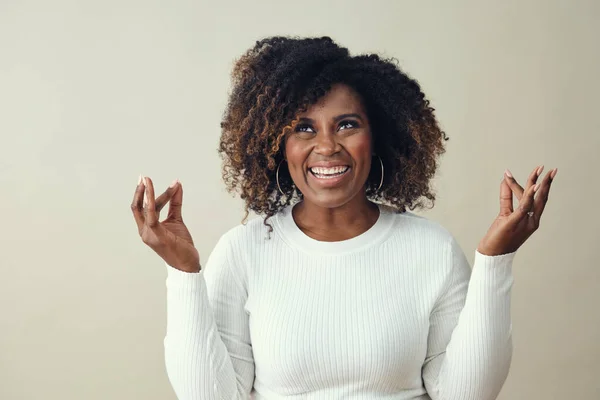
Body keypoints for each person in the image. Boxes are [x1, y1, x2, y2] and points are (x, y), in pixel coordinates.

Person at [130, 36, 557, 400]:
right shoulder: (242, 252)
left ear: (379, 135)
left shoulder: (432, 250)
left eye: (347, 124)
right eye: (304, 128)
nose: (327, 146)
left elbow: (467, 394)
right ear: (276, 144)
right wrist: (182, 272)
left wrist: (495, 260)